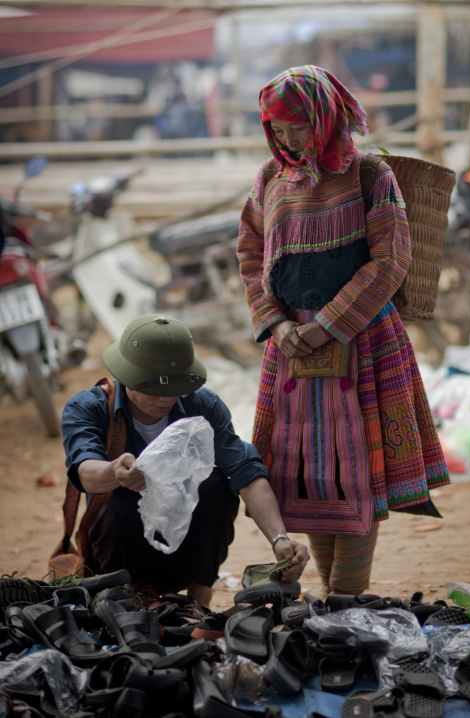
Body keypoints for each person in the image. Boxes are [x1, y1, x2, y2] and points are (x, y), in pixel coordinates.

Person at [237, 65, 450, 599]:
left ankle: (347, 598)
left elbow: (390, 259)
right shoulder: (269, 180)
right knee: (305, 469)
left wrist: (330, 324)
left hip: (362, 340)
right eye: (277, 130)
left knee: (355, 472)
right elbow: (248, 254)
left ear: (325, 118)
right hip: (290, 350)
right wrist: (277, 322)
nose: (288, 141)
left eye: (298, 128)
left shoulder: (372, 177)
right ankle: (335, 603)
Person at [61, 313, 309, 608]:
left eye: (173, 388)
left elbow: (246, 472)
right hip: (119, 558)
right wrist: (115, 472)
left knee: (217, 483)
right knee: (119, 503)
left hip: (186, 557)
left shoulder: (201, 405)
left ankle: (200, 593)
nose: (165, 399)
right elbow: (84, 471)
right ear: (126, 376)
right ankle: (131, 598)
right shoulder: (89, 408)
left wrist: (279, 539)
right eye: (153, 388)